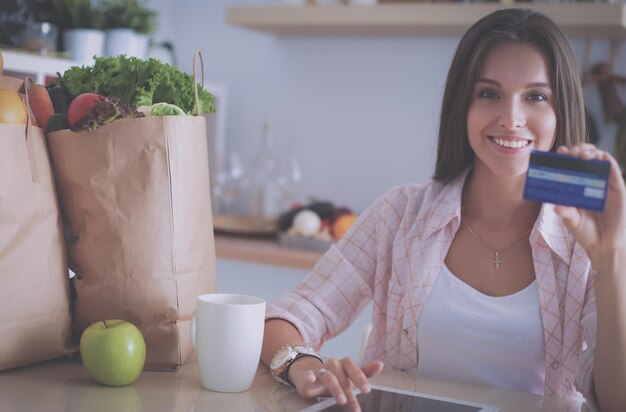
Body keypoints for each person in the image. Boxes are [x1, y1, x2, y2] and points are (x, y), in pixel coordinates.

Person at [261, 8, 626, 412]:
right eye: (489, 93)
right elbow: (285, 318)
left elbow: (617, 400)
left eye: (536, 96)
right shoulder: (400, 215)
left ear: (561, 112)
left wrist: (610, 260)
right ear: (462, 105)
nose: (511, 118)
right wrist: (305, 367)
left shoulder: (589, 242)